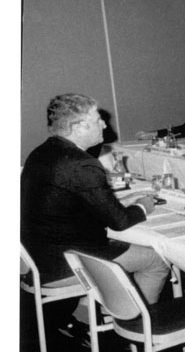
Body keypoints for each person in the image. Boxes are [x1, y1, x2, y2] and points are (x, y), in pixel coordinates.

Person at [22, 94, 171, 333]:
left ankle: (87, 313)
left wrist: (115, 201)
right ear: (78, 126)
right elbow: (120, 222)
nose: (104, 124)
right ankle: (134, 326)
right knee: (157, 260)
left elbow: (69, 203)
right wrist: (144, 206)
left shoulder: (41, 153)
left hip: (37, 258)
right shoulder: (83, 163)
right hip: (65, 263)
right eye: (98, 119)